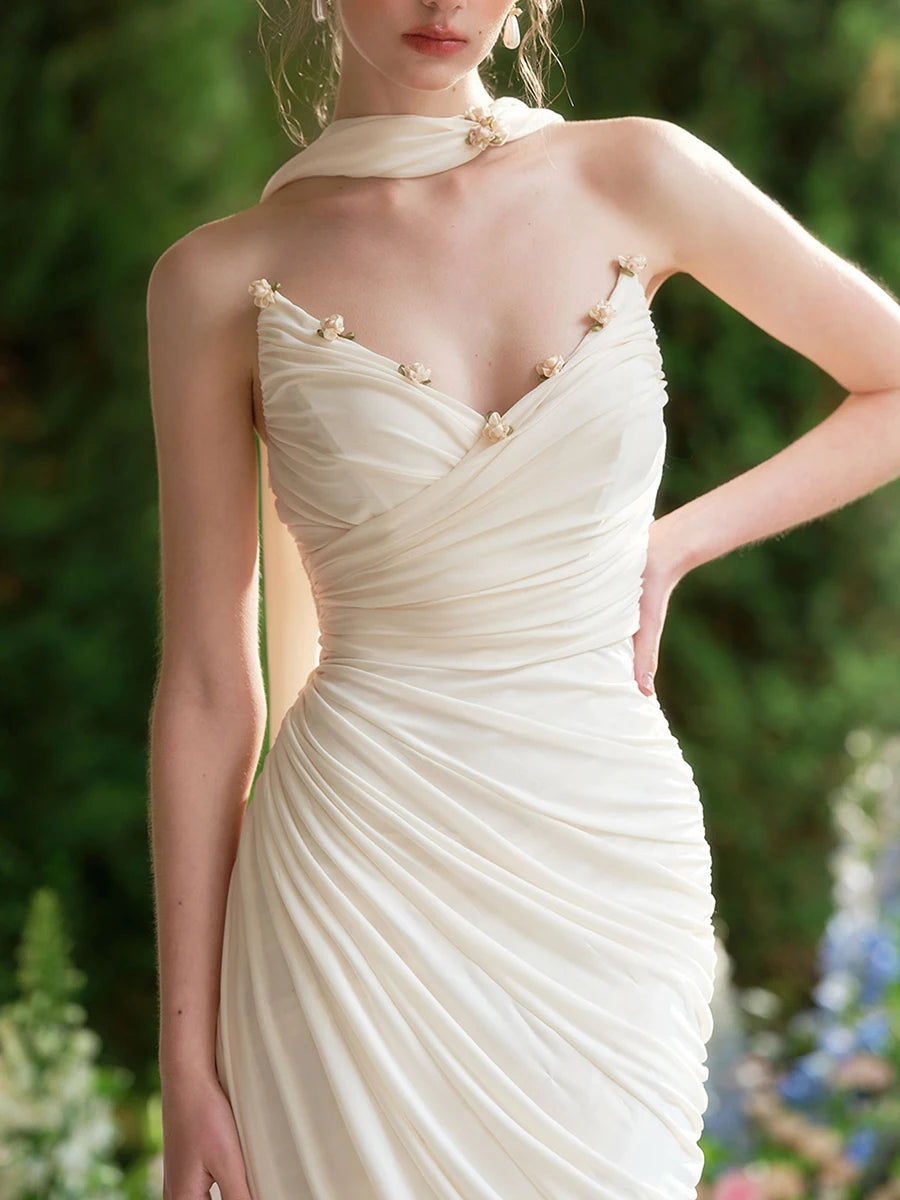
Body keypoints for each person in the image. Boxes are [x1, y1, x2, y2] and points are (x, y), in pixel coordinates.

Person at [145, 3, 900, 1198]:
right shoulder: (215, 278)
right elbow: (202, 682)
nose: (446, 5)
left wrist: (677, 544)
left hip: (603, 864)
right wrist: (185, 1059)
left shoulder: (635, 171)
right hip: (351, 881)